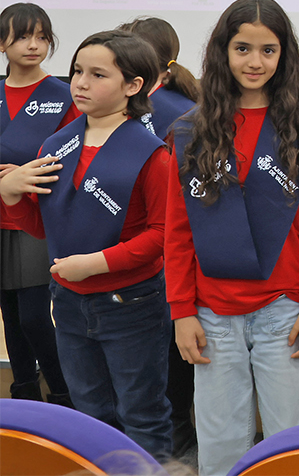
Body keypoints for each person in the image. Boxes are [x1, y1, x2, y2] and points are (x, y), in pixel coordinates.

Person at [165, 0, 299, 476]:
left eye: (268, 50)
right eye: (243, 48)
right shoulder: (190, 131)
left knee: (290, 445)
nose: (255, 61)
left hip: (285, 310)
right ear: (223, 51)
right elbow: (178, 231)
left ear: (284, 56)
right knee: (219, 447)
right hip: (211, 312)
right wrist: (181, 310)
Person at [0, 30, 173, 458]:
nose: (80, 83)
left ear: (133, 86)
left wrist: (97, 263)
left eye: (98, 75)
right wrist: (11, 194)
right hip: (70, 302)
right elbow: (43, 225)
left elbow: (162, 235)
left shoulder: (152, 153)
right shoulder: (58, 143)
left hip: (131, 303)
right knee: (90, 414)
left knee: (142, 414)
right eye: (78, 71)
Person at [117, 15, 201, 456]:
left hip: (164, 250)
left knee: (166, 347)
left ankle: (175, 434)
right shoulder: (180, 105)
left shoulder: (167, 113)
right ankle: (177, 432)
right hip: (160, 249)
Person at [0, 3, 74, 408]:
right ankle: (24, 394)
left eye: (42, 37)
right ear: (2, 43)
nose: (34, 45)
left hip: (35, 218)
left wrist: (28, 173)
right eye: (24, 36)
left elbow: (75, 155)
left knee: (34, 316)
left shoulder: (64, 95)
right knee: (11, 315)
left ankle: (64, 395)